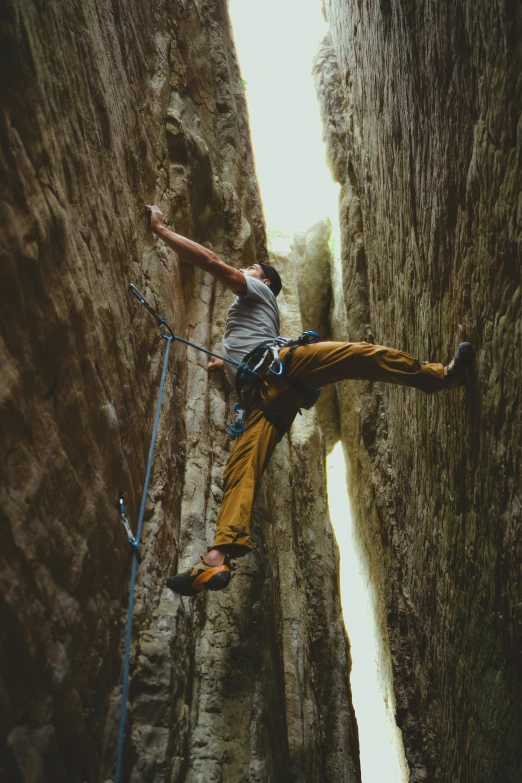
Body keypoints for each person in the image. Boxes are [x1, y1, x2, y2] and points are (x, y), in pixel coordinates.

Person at [144, 205, 473, 597]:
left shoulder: (258, 290)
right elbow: (242, 349)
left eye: (250, 267)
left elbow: (210, 262)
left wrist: (162, 230)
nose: (244, 270)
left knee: (359, 355)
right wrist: (224, 362)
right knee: (239, 470)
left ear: (263, 279)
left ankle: (438, 376)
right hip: (267, 399)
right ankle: (215, 560)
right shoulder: (244, 322)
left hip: (285, 367)